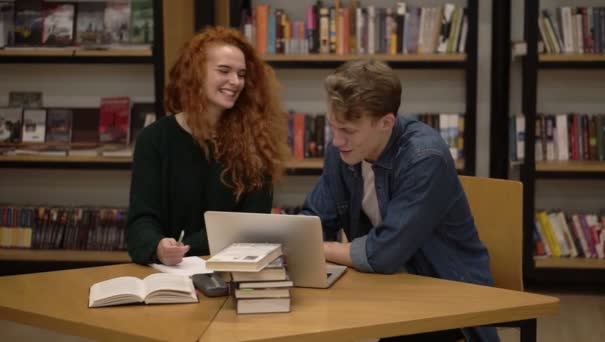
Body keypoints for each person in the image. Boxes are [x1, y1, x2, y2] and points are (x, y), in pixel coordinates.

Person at [301, 59, 498, 342]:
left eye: (349, 131)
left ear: (386, 123)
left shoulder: (424, 157)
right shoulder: (344, 152)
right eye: (334, 127)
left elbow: (382, 254)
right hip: (385, 286)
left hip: (446, 291)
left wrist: (317, 248)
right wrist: (297, 240)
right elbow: (315, 217)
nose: (336, 141)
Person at [127, 26, 290, 266]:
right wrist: (157, 246)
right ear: (195, 74)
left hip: (232, 268)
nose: (235, 82)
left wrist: (189, 246)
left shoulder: (257, 140)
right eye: (224, 71)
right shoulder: (154, 139)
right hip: (167, 271)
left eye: (242, 74)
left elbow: (252, 225)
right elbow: (141, 218)